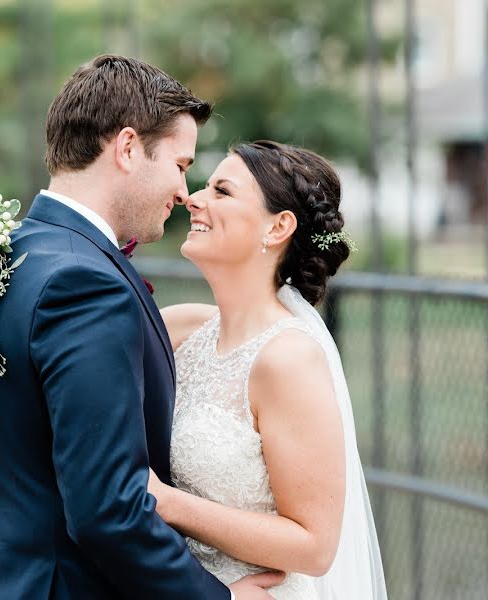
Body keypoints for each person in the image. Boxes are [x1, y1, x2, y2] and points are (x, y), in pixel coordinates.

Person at [0, 55, 281, 599]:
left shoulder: (15, 253)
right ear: (128, 147)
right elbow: (108, 509)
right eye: (182, 165)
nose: (186, 192)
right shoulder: (85, 284)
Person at [152, 141, 387, 599]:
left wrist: (167, 503)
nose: (192, 198)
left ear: (278, 227)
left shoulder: (288, 360)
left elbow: (315, 545)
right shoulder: (181, 329)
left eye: (222, 191)